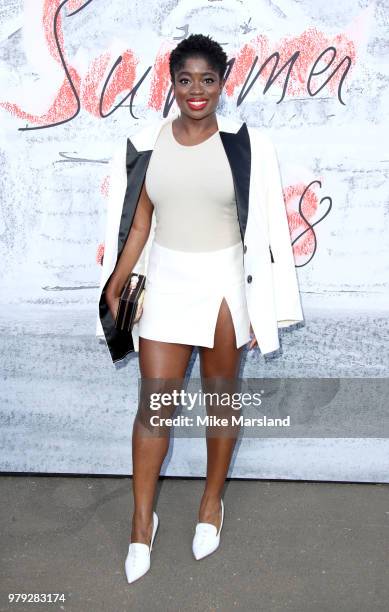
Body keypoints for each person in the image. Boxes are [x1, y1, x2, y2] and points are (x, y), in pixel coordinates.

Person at [98, 33, 304, 584]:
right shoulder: (146, 142)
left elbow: (268, 232)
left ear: (222, 84)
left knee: (220, 403)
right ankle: (142, 523)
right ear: (172, 82)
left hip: (223, 284)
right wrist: (116, 282)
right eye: (185, 79)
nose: (196, 90)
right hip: (166, 282)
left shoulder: (248, 145)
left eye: (207, 80)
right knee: (154, 410)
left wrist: (267, 307)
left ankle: (211, 502)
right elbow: (139, 223)